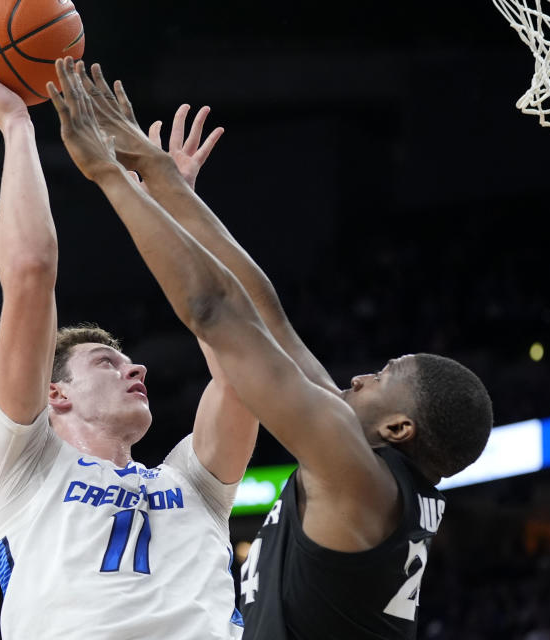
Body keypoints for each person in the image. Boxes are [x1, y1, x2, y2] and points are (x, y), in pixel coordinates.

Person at [47, 56, 494, 640]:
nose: (359, 378)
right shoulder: (367, 467)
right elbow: (268, 316)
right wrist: (165, 184)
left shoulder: (354, 473)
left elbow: (216, 312)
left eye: (382, 377)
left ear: (400, 428)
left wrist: (110, 173)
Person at [0, 39, 258, 639]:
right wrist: (14, 124)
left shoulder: (194, 484)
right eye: (106, 362)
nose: (137, 369)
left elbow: (243, 365)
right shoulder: (24, 466)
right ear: (55, 394)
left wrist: (173, 201)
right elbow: (31, 274)